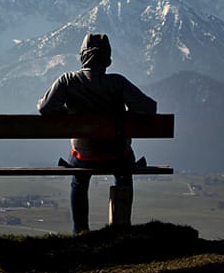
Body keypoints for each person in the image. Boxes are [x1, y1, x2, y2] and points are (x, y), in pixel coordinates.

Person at [37, 33, 157, 234]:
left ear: (82, 56)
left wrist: (69, 115)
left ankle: (80, 231)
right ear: (107, 57)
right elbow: (149, 107)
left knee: (78, 178)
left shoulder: (68, 81)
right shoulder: (118, 83)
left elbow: (45, 108)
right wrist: (125, 115)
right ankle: (120, 227)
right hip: (118, 155)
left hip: (84, 156)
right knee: (125, 172)